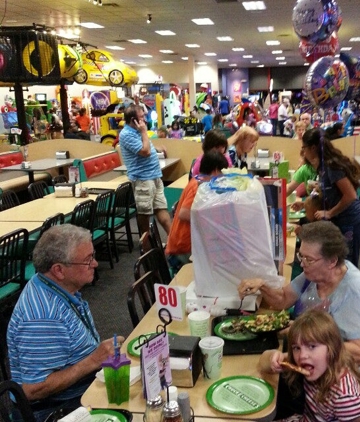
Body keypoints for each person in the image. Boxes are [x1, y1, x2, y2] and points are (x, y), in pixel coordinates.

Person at [238, 221, 360, 390]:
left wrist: (301, 347)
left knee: (262, 380)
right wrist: (262, 285)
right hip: (318, 363)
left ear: (332, 261)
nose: (303, 263)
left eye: (309, 259)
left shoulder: (352, 291)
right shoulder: (315, 273)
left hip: (350, 380)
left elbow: (359, 352)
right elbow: (283, 299)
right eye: (301, 256)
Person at [7, 225, 123, 422]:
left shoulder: (56, 287)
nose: (95, 263)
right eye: (87, 260)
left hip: (77, 393)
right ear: (59, 270)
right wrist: (94, 360)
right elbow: (33, 389)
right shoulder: (42, 318)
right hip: (54, 411)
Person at [259, 310, 360, 422]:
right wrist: (273, 358)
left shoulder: (346, 397)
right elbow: (262, 363)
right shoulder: (311, 362)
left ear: (332, 348)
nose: (302, 355)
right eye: (296, 348)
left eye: (312, 346)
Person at [290, 129, 360, 266]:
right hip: (341, 219)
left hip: (352, 220)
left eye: (304, 148)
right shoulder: (322, 166)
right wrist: (304, 205)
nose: (304, 152)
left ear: (313, 148)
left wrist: (330, 213)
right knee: (337, 261)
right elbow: (327, 191)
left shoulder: (331, 166)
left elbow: (351, 195)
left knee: (347, 264)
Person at [166, 151, 229, 272]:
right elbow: (183, 213)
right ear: (216, 170)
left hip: (186, 243)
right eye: (223, 172)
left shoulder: (199, 180)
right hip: (182, 248)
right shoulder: (197, 187)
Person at [119, 104, 171, 236]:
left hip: (155, 176)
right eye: (142, 117)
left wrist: (157, 149)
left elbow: (148, 146)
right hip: (142, 179)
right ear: (133, 120)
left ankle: (174, 242)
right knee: (144, 214)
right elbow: (145, 151)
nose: (145, 119)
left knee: (161, 209)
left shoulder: (138, 131)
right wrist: (143, 132)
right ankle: (146, 247)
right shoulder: (126, 134)